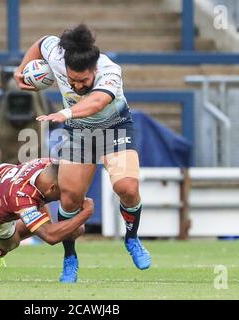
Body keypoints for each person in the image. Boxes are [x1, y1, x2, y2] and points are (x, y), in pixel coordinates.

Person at [14, 24, 151, 283]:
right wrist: (20, 71)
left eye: (83, 81)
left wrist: (64, 113)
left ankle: (132, 239)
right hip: (79, 133)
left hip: (115, 128)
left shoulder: (110, 71)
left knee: (127, 187)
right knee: (70, 199)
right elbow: (41, 42)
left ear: (95, 70)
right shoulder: (56, 54)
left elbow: (97, 102)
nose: (77, 86)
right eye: (72, 80)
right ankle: (70, 258)